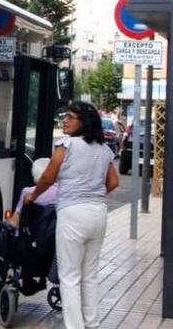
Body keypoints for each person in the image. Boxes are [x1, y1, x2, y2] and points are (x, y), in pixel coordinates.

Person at [25, 101, 119, 329]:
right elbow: (114, 182)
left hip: (72, 214)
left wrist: (33, 196)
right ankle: (92, 324)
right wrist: (92, 195)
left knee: (69, 276)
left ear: (83, 122)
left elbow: (47, 177)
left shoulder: (66, 145)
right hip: (98, 214)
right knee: (90, 274)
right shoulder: (104, 150)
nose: (64, 121)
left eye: (70, 117)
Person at [6, 157, 59, 228]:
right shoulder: (63, 191)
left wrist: (7, 221)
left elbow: (16, 221)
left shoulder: (27, 192)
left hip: (31, 235)